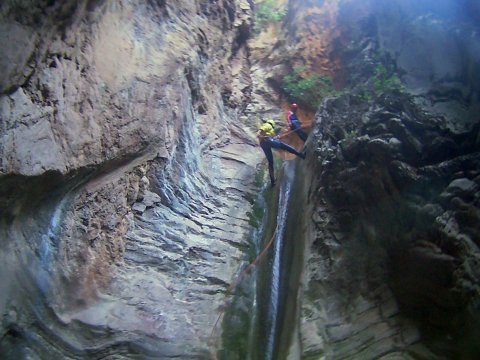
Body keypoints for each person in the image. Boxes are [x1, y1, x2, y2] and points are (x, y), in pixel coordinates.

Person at [257, 119, 306, 187]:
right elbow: (258, 133)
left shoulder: (270, 131)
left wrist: (274, 137)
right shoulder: (267, 125)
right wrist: (263, 137)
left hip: (263, 144)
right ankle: (301, 155)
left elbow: (271, 137)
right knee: (285, 146)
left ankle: (272, 181)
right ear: (272, 124)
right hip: (267, 140)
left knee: (270, 162)